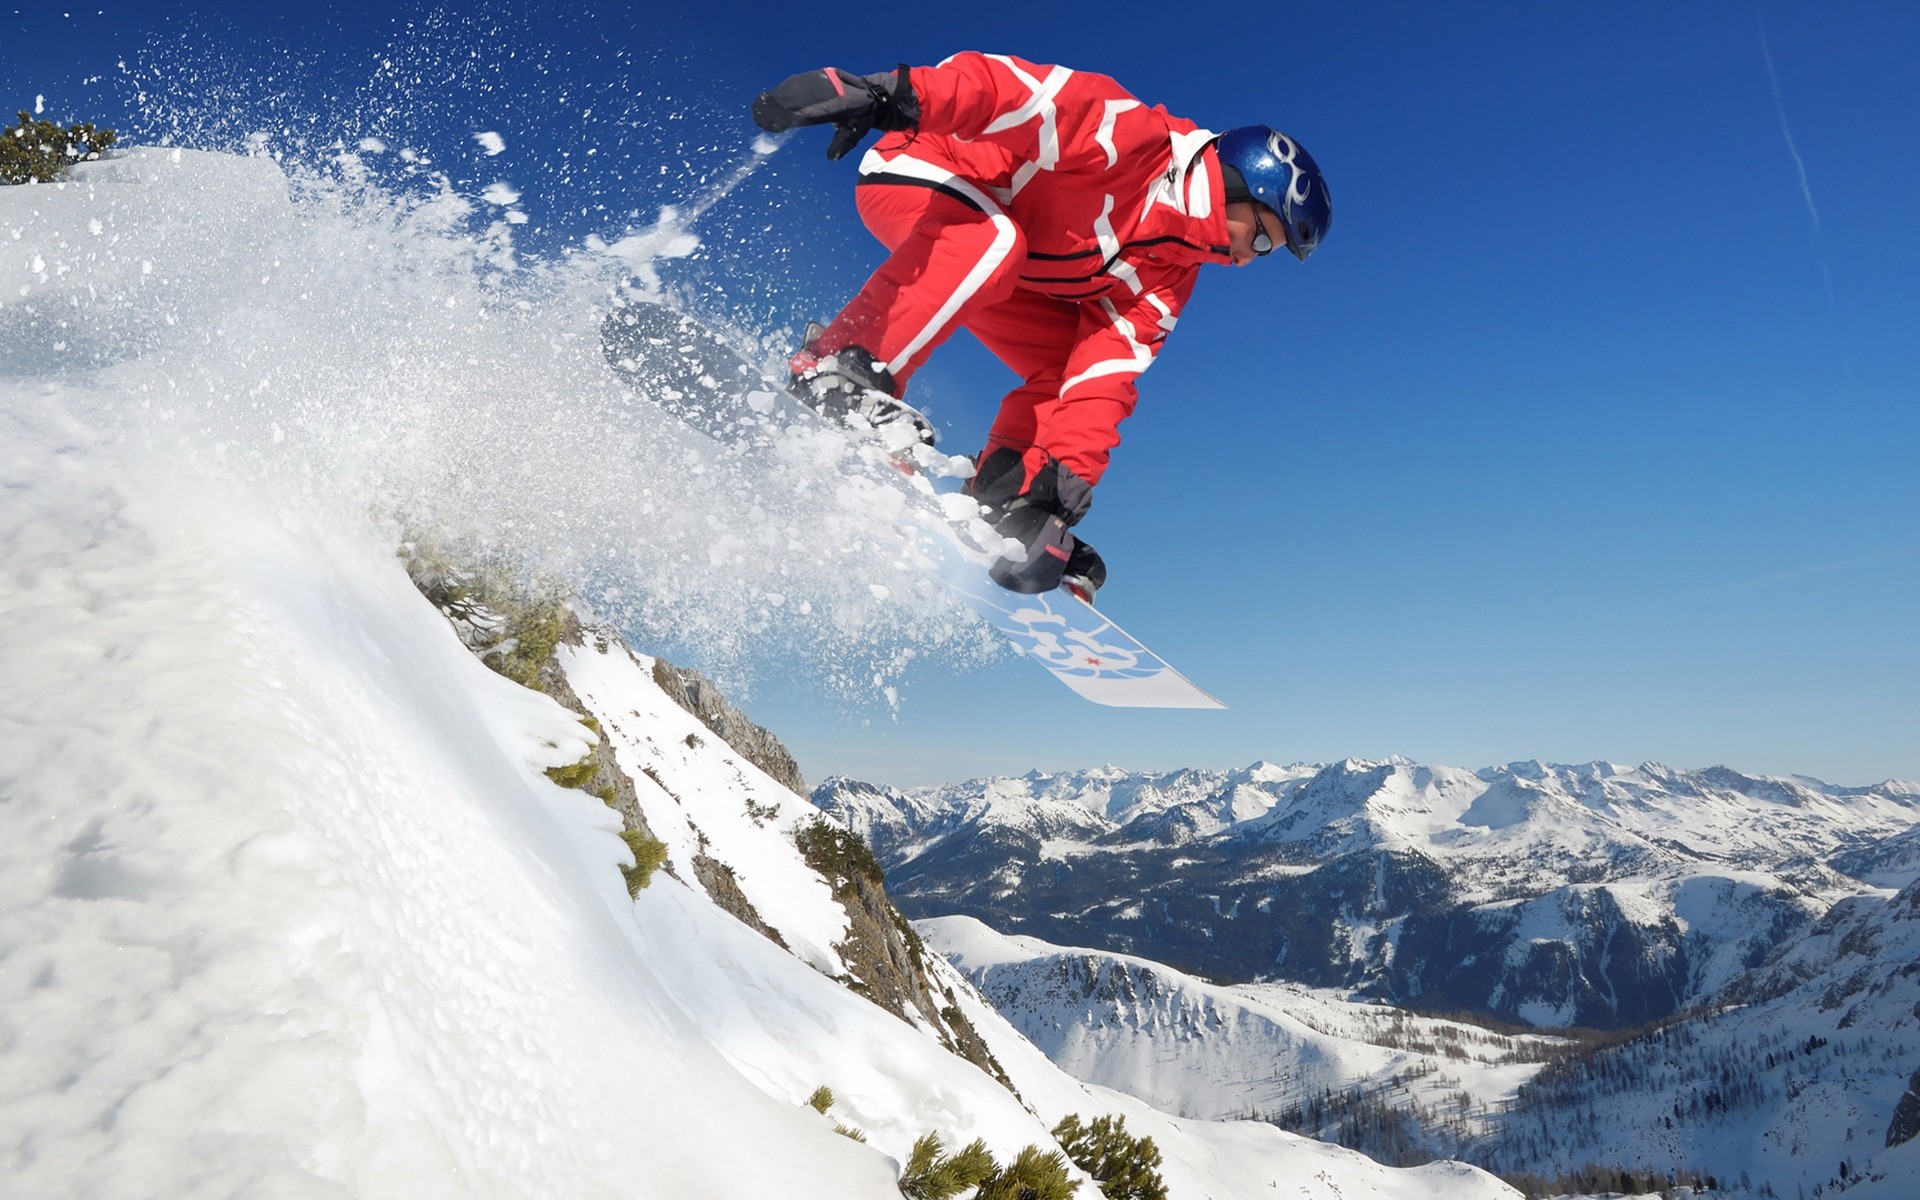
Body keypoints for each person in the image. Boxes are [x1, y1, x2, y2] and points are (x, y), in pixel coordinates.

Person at [752, 52, 1330, 598]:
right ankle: (835, 370)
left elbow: (1107, 371)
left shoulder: (1170, 272)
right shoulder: (1133, 141)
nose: (1249, 259)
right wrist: (892, 95)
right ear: (1236, 185)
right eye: (1259, 236)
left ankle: (1004, 496)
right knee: (994, 240)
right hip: (925, 169)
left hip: (995, 260)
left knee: (1064, 363)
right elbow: (1014, 96)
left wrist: (1055, 497)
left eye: (1267, 252)